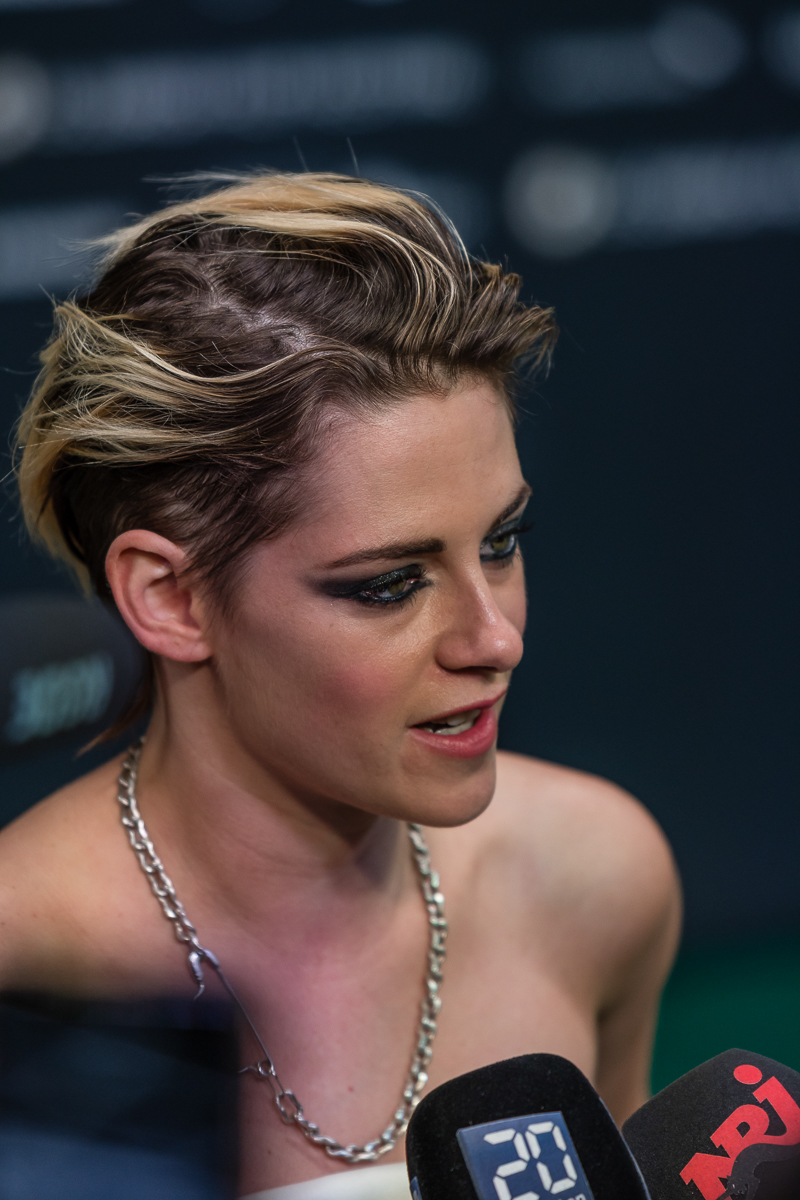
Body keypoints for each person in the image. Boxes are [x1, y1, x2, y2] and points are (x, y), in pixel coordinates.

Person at [0, 173, 680, 1199]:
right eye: (388, 585)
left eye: (501, 543)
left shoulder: (593, 878)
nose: (494, 638)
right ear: (170, 598)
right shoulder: (19, 971)